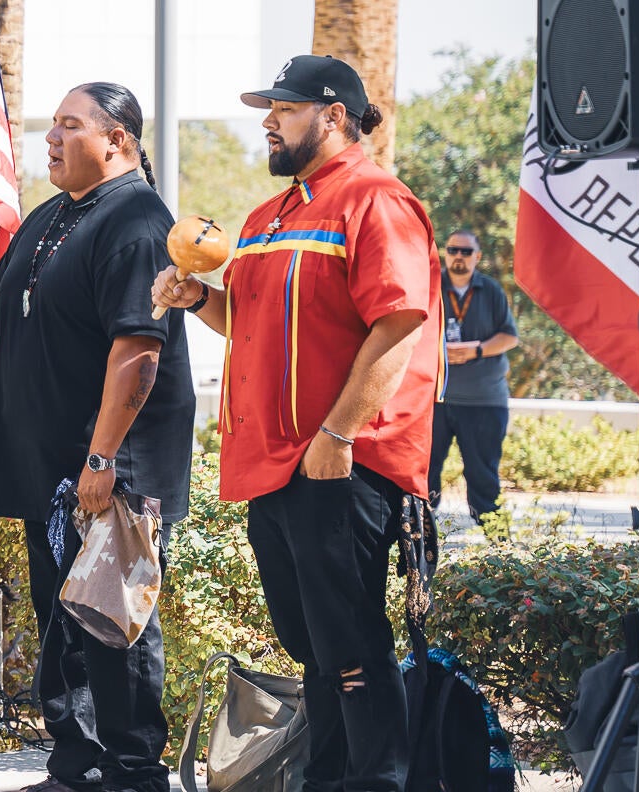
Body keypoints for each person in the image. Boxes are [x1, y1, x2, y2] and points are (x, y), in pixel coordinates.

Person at [152, 55, 442, 791]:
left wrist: (338, 435)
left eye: (283, 107)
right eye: (268, 108)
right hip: (274, 465)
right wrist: (197, 299)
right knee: (313, 644)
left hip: (339, 462)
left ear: (334, 114)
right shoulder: (268, 216)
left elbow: (401, 324)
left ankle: (376, 782)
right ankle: (327, 779)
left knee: (350, 643)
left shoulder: (376, 199)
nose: (267, 120)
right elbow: (247, 322)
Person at [0, 83, 194, 792]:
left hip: (110, 467)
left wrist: (103, 457)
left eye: (70, 125)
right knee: (63, 625)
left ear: (118, 139)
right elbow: (12, 314)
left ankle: (134, 773)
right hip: (48, 468)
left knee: (114, 624)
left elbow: (139, 348)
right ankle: (74, 768)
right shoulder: (52, 215)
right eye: (52, 124)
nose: (51, 136)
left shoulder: (136, 220)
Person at [429, 230, 518, 522]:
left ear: (477, 257)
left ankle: (499, 554)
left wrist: (475, 350)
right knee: (423, 475)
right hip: (435, 399)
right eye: (454, 250)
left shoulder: (491, 290)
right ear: (445, 253)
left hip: (484, 401)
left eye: (466, 252)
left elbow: (509, 337)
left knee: (484, 480)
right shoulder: (430, 286)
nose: (459, 256)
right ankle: (417, 544)